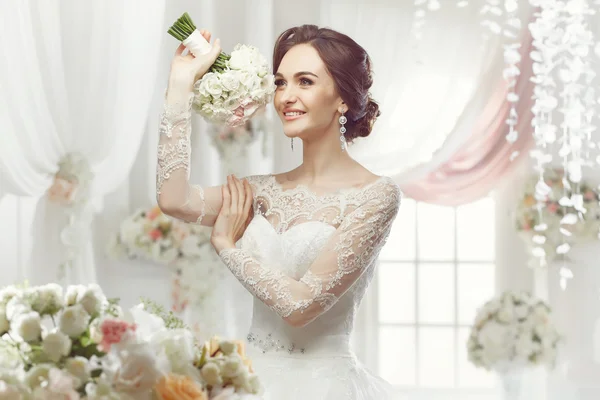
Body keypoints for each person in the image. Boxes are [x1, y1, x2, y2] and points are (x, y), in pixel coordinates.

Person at [157, 24, 402, 399]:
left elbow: (301, 306)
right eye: (281, 82)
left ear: (343, 99)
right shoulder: (260, 191)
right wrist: (180, 86)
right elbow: (175, 200)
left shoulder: (374, 195)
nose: (286, 96)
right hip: (249, 384)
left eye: (305, 81)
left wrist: (227, 247)